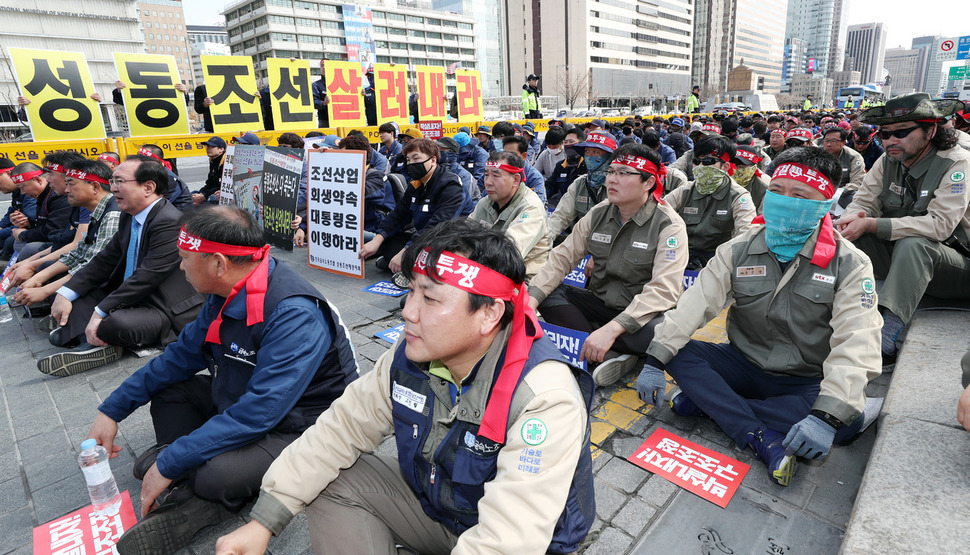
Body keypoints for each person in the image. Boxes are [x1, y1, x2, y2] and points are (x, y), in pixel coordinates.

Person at [215, 219, 595, 555]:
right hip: (441, 509)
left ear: (489, 314)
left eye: (430, 298)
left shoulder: (544, 398)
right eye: (411, 291)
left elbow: (508, 539)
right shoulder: (411, 351)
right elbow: (343, 427)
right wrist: (263, 521)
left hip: (524, 542)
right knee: (331, 477)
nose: (408, 312)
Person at [85, 205, 360, 554]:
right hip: (243, 397)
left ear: (218, 263)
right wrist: (111, 410)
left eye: (185, 257)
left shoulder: (294, 313)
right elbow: (178, 358)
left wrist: (171, 462)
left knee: (216, 475)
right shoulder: (224, 292)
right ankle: (190, 476)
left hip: (301, 425)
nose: (180, 266)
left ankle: (202, 492)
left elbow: (260, 413)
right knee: (171, 391)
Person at [637, 146, 883, 487]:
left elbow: (857, 342)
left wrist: (826, 417)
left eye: (799, 195)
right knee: (673, 349)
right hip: (742, 362)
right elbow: (695, 304)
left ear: (824, 205)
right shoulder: (740, 247)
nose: (783, 201)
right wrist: (653, 363)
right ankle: (760, 436)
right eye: (777, 191)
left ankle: (714, 405)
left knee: (845, 420)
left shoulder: (850, 264)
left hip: (804, 377)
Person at [530, 143, 688, 386]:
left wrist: (614, 328)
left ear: (648, 183)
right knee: (547, 293)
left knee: (664, 333)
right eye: (611, 171)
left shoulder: (669, 225)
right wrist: (529, 303)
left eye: (624, 173)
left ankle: (596, 342)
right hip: (600, 302)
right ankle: (608, 351)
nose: (612, 180)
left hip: (639, 316)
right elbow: (561, 259)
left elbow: (664, 290)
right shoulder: (598, 213)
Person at [38, 157, 205, 376]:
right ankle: (92, 338)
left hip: (163, 307)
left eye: (119, 181)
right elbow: (104, 260)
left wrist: (99, 313)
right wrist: (65, 294)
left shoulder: (169, 221)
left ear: (148, 187)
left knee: (113, 322)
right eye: (112, 180)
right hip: (135, 298)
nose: (113, 188)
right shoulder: (130, 216)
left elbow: (146, 277)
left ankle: (89, 338)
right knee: (77, 298)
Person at [837, 93, 970, 364]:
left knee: (914, 242)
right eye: (884, 135)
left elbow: (940, 225)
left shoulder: (957, 163)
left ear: (930, 129)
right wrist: (850, 221)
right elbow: (863, 201)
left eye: (901, 132)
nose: (890, 141)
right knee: (845, 237)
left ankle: (886, 340)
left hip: (956, 265)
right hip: (904, 259)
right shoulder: (887, 161)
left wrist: (873, 224)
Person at [13, 159, 120, 309]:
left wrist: (45, 290)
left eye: (71, 183)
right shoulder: (94, 209)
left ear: (95, 186)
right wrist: (36, 274)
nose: (67, 189)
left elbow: (93, 266)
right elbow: (78, 252)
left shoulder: (112, 214)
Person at [359, 138, 466, 273]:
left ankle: (407, 263)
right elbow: (398, 214)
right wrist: (378, 239)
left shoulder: (450, 185)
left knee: (399, 256)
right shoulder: (416, 184)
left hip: (447, 242)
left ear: (433, 160)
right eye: (408, 160)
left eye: (416, 158)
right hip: (422, 239)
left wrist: (406, 250)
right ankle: (407, 264)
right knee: (387, 241)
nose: (411, 164)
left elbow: (438, 226)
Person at [664, 136, 755, 269]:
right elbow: (660, 213)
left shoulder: (739, 196)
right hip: (681, 255)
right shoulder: (685, 191)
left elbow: (746, 235)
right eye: (696, 161)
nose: (700, 167)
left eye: (708, 161)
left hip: (719, 260)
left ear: (725, 166)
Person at [470, 151, 550, 279]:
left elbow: (508, 252)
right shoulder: (485, 202)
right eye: (486, 175)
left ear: (516, 180)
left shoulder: (531, 207)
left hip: (523, 279)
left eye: (496, 175)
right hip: (488, 270)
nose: (488, 182)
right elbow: (465, 234)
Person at [546, 131, 616, 240]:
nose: (589, 156)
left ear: (609, 157)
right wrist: (544, 240)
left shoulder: (619, 186)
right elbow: (560, 217)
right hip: (580, 242)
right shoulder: (580, 183)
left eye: (595, 152)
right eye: (587, 152)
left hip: (610, 245)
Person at [5, 161, 73, 260]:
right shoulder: (42, 195)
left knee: (28, 247)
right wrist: (27, 223)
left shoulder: (57, 195)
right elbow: (45, 223)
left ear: (38, 180)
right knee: (16, 241)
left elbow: (52, 230)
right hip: (57, 239)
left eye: (23, 187)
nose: (22, 193)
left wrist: (23, 235)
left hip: (62, 241)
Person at [0, 157, 37, 260]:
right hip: (27, 230)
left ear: (7, 173)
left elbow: (27, 222)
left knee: (11, 241)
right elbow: (12, 213)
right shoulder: (17, 192)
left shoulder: (29, 191)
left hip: (36, 232)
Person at [137, 145, 193, 212]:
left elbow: (157, 205)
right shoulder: (147, 174)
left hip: (178, 217)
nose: (137, 161)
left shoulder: (169, 179)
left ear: (155, 161)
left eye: (142, 158)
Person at [502, 135, 547, 205]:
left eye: (512, 155)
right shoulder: (498, 172)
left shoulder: (534, 176)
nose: (508, 158)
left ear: (524, 156)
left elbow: (538, 203)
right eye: (505, 154)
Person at [821, 127, 866, 192]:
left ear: (844, 142)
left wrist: (838, 192)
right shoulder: (816, 154)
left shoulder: (854, 157)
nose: (828, 144)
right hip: (819, 191)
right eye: (826, 140)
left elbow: (857, 181)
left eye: (833, 141)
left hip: (842, 193)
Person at [193, 137, 227, 205]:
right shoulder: (213, 160)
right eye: (207, 146)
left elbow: (221, 185)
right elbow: (210, 183)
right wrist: (201, 193)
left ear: (221, 149)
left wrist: (204, 196)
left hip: (222, 193)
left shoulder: (227, 161)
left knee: (212, 199)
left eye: (212, 147)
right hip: (212, 191)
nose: (208, 149)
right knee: (192, 195)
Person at [311, 59, 330, 128]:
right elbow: (314, 102)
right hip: (324, 121)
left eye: (326, 65)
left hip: (340, 120)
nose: (324, 67)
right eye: (322, 66)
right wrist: (323, 103)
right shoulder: (316, 85)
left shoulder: (340, 84)